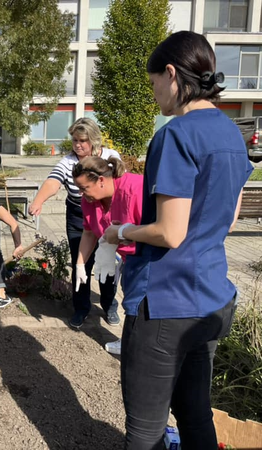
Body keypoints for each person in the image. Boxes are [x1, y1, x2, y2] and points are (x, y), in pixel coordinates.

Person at [102, 31, 252, 449]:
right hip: (210, 297)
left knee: (146, 431)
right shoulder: (232, 135)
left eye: (153, 85)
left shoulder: (176, 135)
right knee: (194, 414)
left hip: (166, 302)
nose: (155, 96)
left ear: (171, 75)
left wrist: (121, 231)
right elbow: (231, 219)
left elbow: (170, 231)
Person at [29, 118, 121, 328]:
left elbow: (120, 182)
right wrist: (38, 200)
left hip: (107, 216)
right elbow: (53, 181)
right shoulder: (68, 162)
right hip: (78, 216)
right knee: (81, 263)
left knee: (107, 262)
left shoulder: (109, 157)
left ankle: (109, 304)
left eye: (82, 140)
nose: (78, 145)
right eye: (74, 140)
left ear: (94, 140)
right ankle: (81, 308)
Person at [72, 156, 143, 354]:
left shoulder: (135, 189)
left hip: (151, 259)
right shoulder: (91, 200)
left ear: (101, 180)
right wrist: (80, 264)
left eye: (84, 187)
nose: (81, 193)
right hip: (129, 259)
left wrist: (125, 234)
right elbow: (88, 232)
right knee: (131, 301)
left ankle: (138, 348)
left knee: (141, 305)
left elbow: (159, 228)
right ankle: (130, 341)